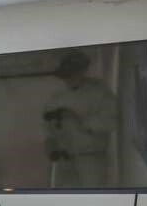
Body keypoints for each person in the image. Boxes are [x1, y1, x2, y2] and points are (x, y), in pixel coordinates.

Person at [42, 51, 119, 187]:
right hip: (63, 159)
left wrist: (81, 122)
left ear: (82, 70)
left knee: (92, 196)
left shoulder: (99, 92)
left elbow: (111, 121)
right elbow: (47, 125)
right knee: (63, 196)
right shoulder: (57, 97)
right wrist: (49, 142)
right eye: (66, 75)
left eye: (73, 72)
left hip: (91, 158)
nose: (69, 78)